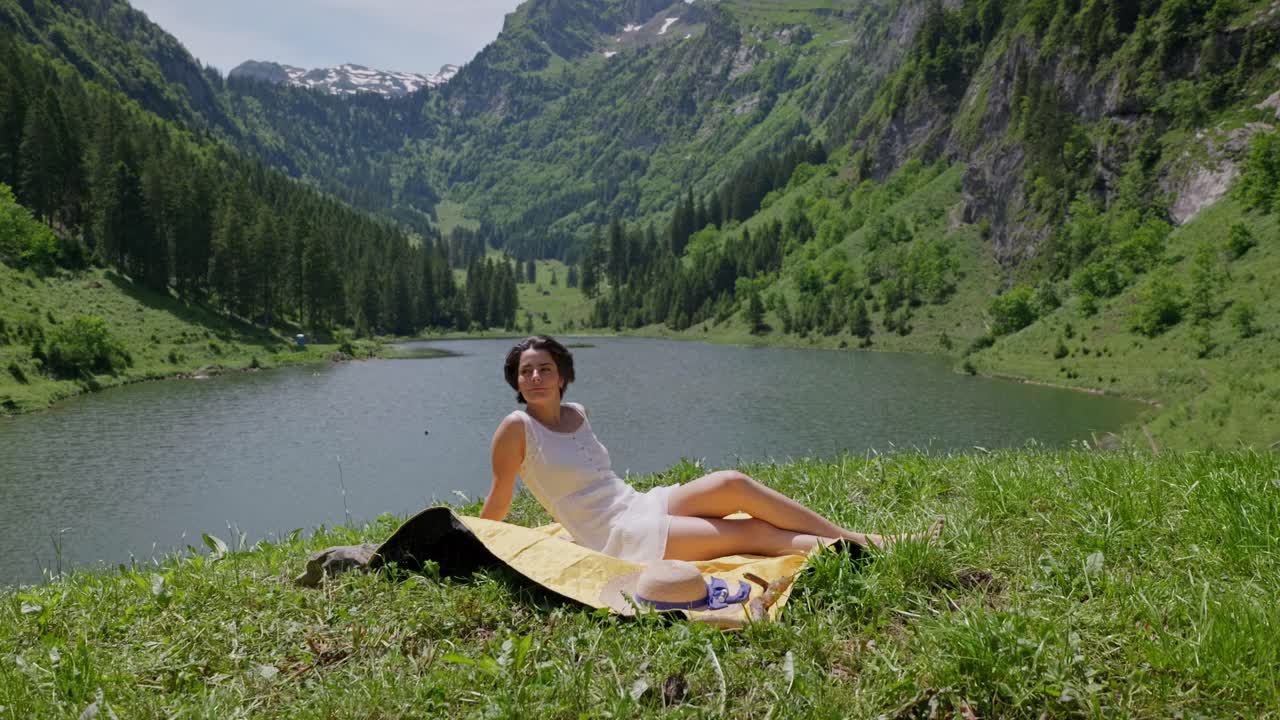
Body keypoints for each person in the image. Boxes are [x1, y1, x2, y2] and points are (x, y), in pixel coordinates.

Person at [481, 335, 940, 563]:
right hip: (614, 536)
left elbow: (604, 481)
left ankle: (851, 535)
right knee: (750, 533)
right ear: (516, 383)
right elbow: (500, 498)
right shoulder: (516, 428)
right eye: (526, 373)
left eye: (544, 369)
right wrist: (477, 542)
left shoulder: (577, 411)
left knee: (733, 485)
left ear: (562, 375)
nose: (535, 378)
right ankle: (865, 551)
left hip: (635, 503)